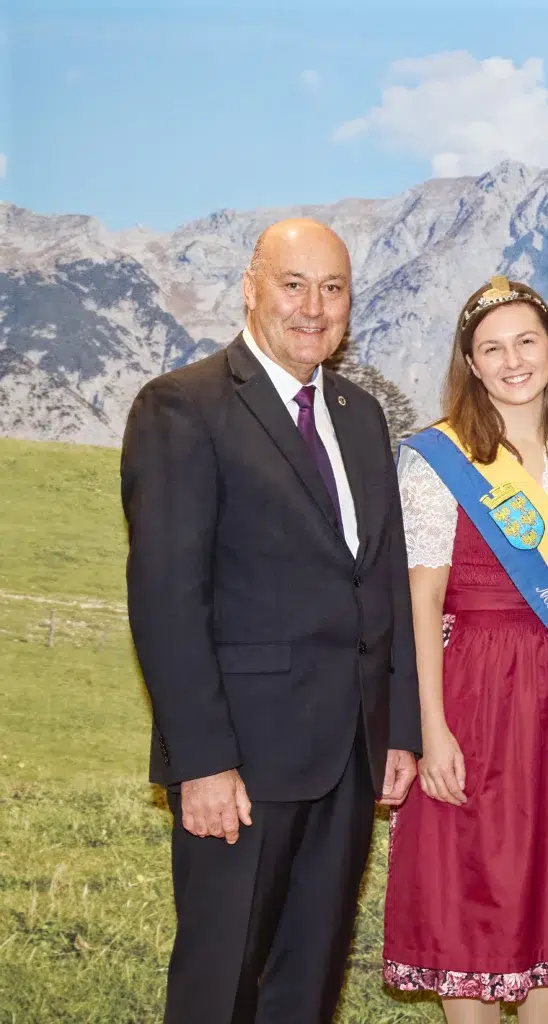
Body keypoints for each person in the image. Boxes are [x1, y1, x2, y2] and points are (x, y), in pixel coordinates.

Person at [121, 218, 421, 1024]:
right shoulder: (183, 407)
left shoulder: (361, 415)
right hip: (242, 767)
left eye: (333, 288)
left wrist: (398, 729)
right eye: (294, 284)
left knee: (308, 989)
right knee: (220, 989)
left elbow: (383, 578)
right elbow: (167, 600)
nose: (313, 307)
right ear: (250, 289)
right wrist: (202, 763)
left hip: (349, 759)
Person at [381, 277, 548, 1024]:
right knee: (470, 886)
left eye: (526, 341)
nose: (513, 361)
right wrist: (430, 729)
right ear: (470, 363)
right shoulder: (439, 458)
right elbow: (421, 601)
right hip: (475, 691)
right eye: (493, 348)